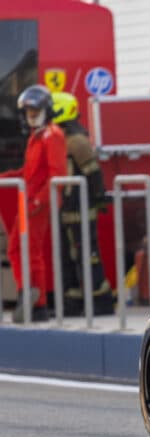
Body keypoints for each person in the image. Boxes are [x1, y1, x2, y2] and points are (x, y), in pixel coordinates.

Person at [0, 85, 66, 322]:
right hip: (27, 201)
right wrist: (5, 178)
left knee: (30, 250)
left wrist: (39, 201)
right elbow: (28, 173)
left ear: (45, 110)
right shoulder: (35, 137)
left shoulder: (52, 136)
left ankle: (36, 301)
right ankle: (27, 293)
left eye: (34, 111)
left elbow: (57, 175)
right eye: (27, 112)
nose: (31, 116)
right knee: (18, 248)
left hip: (38, 203)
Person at [51, 91, 114, 315]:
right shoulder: (62, 138)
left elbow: (93, 174)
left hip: (80, 209)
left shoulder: (76, 141)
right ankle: (74, 301)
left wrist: (98, 198)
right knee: (69, 257)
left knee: (86, 254)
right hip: (68, 208)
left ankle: (100, 301)